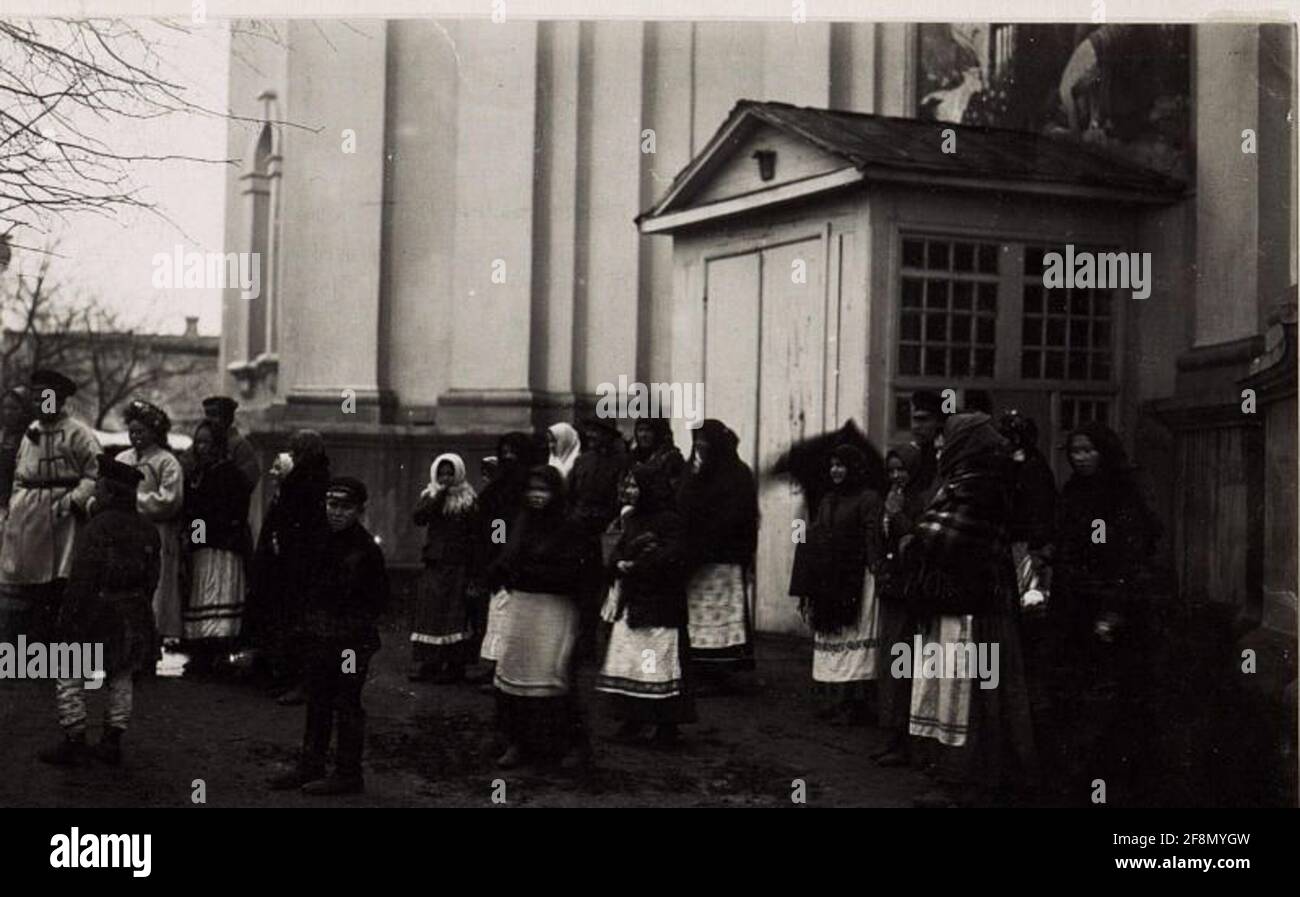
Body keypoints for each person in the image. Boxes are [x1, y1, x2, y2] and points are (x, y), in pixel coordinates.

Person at [899, 412, 1037, 807]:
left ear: (965, 445)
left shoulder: (981, 484)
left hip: (972, 607)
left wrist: (911, 533)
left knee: (967, 694)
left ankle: (967, 780)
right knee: (957, 690)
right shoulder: (969, 479)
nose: (940, 447)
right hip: (961, 600)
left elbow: (945, 538)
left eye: (947, 440)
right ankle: (960, 775)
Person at [1047, 421, 1162, 802]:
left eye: (1088, 450)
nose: (1080, 458)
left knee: (1110, 697)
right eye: (1075, 451)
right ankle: (1079, 778)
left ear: (1104, 452)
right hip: (1073, 606)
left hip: (1109, 607)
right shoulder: (1073, 491)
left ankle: (1111, 780)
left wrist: (1113, 609)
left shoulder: (1120, 496)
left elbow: (1128, 556)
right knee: (1076, 694)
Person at [269, 476, 389, 795]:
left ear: (359, 510)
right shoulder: (320, 540)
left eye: (345, 506)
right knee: (318, 698)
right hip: (320, 637)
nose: (336, 512)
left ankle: (349, 773)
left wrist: (348, 629)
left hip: (351, 644)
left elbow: (377, 601)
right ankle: (311, 764)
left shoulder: (366, 550)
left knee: (347, 701)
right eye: (332, 504)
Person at [38, 455, 159, 767]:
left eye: (99, 489)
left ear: (109, 493)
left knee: (70, 672)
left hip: (96, 612)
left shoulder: (97, 528)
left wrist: (67, 619)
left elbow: (82, 579)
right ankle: (112, 741)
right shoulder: (148, 529)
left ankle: (74, 737)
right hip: (134, 613)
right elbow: (151, 579)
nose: (95, 495)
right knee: (121, 677)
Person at [485, 464, 589, 769]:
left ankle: (569, 744)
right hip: (522, 608)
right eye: (531, 490)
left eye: (543, 490)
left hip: (554, 609)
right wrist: (499, 571)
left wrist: (526, 572)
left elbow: (574, 573)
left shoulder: (570, 527)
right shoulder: (523, 522)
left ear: (556, 494)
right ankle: (517, 741)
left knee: (551, 677)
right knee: (516, 675)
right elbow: (507, 558)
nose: (536, 497)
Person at [597, 466, 696, 744]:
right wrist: (618, 562)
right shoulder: (632, 519)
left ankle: (665, 725)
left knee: (657, 664)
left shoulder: (671, 521)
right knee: (631, 662)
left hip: (660, 604)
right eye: (627, 485)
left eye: (634, 486)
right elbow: (617, 550)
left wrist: (639, 565)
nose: (628, 491)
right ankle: (633, 719)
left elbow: (674, 556)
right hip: (634, 601)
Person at [0, 370, 100, 642]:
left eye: (45, 397)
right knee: (26, 585)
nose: (39, 404)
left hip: (63, 517)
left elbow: (95, 473)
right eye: (35, 398)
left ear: (59, 399)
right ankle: (27, 648)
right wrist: (15, 507)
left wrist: (75, 500)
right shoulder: (30, 433)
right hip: (28, 518)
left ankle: (58, 648)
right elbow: (20, 476)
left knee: (58, 583)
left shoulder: (78, 433)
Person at [792, 444, 884, 724]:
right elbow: (817, 532)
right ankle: (837, 700)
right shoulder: (828, 499)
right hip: (829, 580)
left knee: (856, 641)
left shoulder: (868, 498)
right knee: (834, 639)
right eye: (833, 464)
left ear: (854, 468)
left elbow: (872, 534)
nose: (836, 470)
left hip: (857, 581)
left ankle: (857, 704)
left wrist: (877, 568)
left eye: (842, 465)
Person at [249, 429, 331, 703]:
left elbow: (292, 520)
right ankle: (291, 678)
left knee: (298, 622)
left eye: (295, 451)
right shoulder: (314, 477)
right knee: (295, 621)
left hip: (298, 562)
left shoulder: (304, 480)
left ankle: (299, 682)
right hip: (297, 560)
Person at [677, 419, 758, 682]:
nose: (699, 448)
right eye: (696, 442)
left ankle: (721, 671)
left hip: (723, 558)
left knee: (722, 615)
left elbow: (742, 518)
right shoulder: (692, 470)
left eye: (704, 443)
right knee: (697, 616)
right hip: (697, 558)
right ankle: (698, 668)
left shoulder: (737, 474)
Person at [181, 419, 255, 673]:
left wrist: (203, 536)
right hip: (205, 544)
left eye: (206, 442)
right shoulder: (200, 472)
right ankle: (204, 651)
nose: (200, 447)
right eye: (197, 442)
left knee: (217, 594)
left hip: (222, 546)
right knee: (204, 593)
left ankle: (218, 653)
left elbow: (229, 511)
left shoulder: (228, 473)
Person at [871, 445, 927, 767]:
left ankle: (907, 741)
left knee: (904, 667)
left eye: (901, 470)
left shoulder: (920, 502)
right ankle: (892, 736)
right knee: (891, 666)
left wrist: (897, 515)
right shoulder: (890, 499)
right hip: (892, 592)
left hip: (910, 596)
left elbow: (918, 543)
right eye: (891, 470)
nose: (896, 476)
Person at [118, 400, 185, 648]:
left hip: (156, 533)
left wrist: (132, 501)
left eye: (141, 431)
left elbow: (170, 500)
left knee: (155, 588)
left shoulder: (167, 462)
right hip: (126, 533)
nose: (135, 437)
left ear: (154, 432)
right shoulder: (122, 458)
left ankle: (151, 645)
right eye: (132, 431)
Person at [473, 432, 540, 678]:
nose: (509, 456)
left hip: (518, 553)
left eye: (514, 451)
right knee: (498, 611)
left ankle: (506, 665)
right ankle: (494, 663)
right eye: (505, 451)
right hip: (499, 549)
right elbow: (494, 521)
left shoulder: (526, 483)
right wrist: (495, 550)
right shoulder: (500, 484)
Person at [409, 453, 478, 683]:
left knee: (454, 615)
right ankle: (430, 662)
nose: (446, 477)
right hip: (435, 562)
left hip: (458, 564)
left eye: (450, 473)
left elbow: (474, 534)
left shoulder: (468, 500)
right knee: (431, 613)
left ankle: (454, 666)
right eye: (442, 473)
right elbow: (419, 518)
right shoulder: (429, 495)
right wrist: (439, 494)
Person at [567, 417, 629, 664]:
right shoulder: (581, 462)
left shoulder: (621, 464)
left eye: (598, 432)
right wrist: (573, 518)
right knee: (581, 589)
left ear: (608, 436)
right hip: (580, 533)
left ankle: (603, 645)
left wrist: (609, 520)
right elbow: (571, 495)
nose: (592, 436)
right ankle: (583, 642)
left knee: (605, 591)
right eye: (590, 431)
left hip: (604, 535)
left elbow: (621, 497)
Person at [0, 386, 35, 642]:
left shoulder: (31, 439)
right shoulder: (1, 437)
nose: (8, 412)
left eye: (15, 407)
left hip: (19, 509)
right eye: (6, 407)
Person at [193, 395, 260, 490]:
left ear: (227, 418)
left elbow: (249, 480)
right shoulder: (201, 441)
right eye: (208, 414)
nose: (209, 420)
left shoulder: (240, 446)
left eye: (214, 415)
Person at [908, 389, 948, 505]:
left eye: (923, 420)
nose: (915, 427)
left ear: (939, 423)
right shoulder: (918, 454)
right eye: (914, 420)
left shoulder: (944, 456)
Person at [629, 417, 686, 497]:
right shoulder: (632, 457)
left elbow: (678, 493)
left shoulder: (672, 458)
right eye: (640, 430)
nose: (643, 435)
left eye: (648, 430)